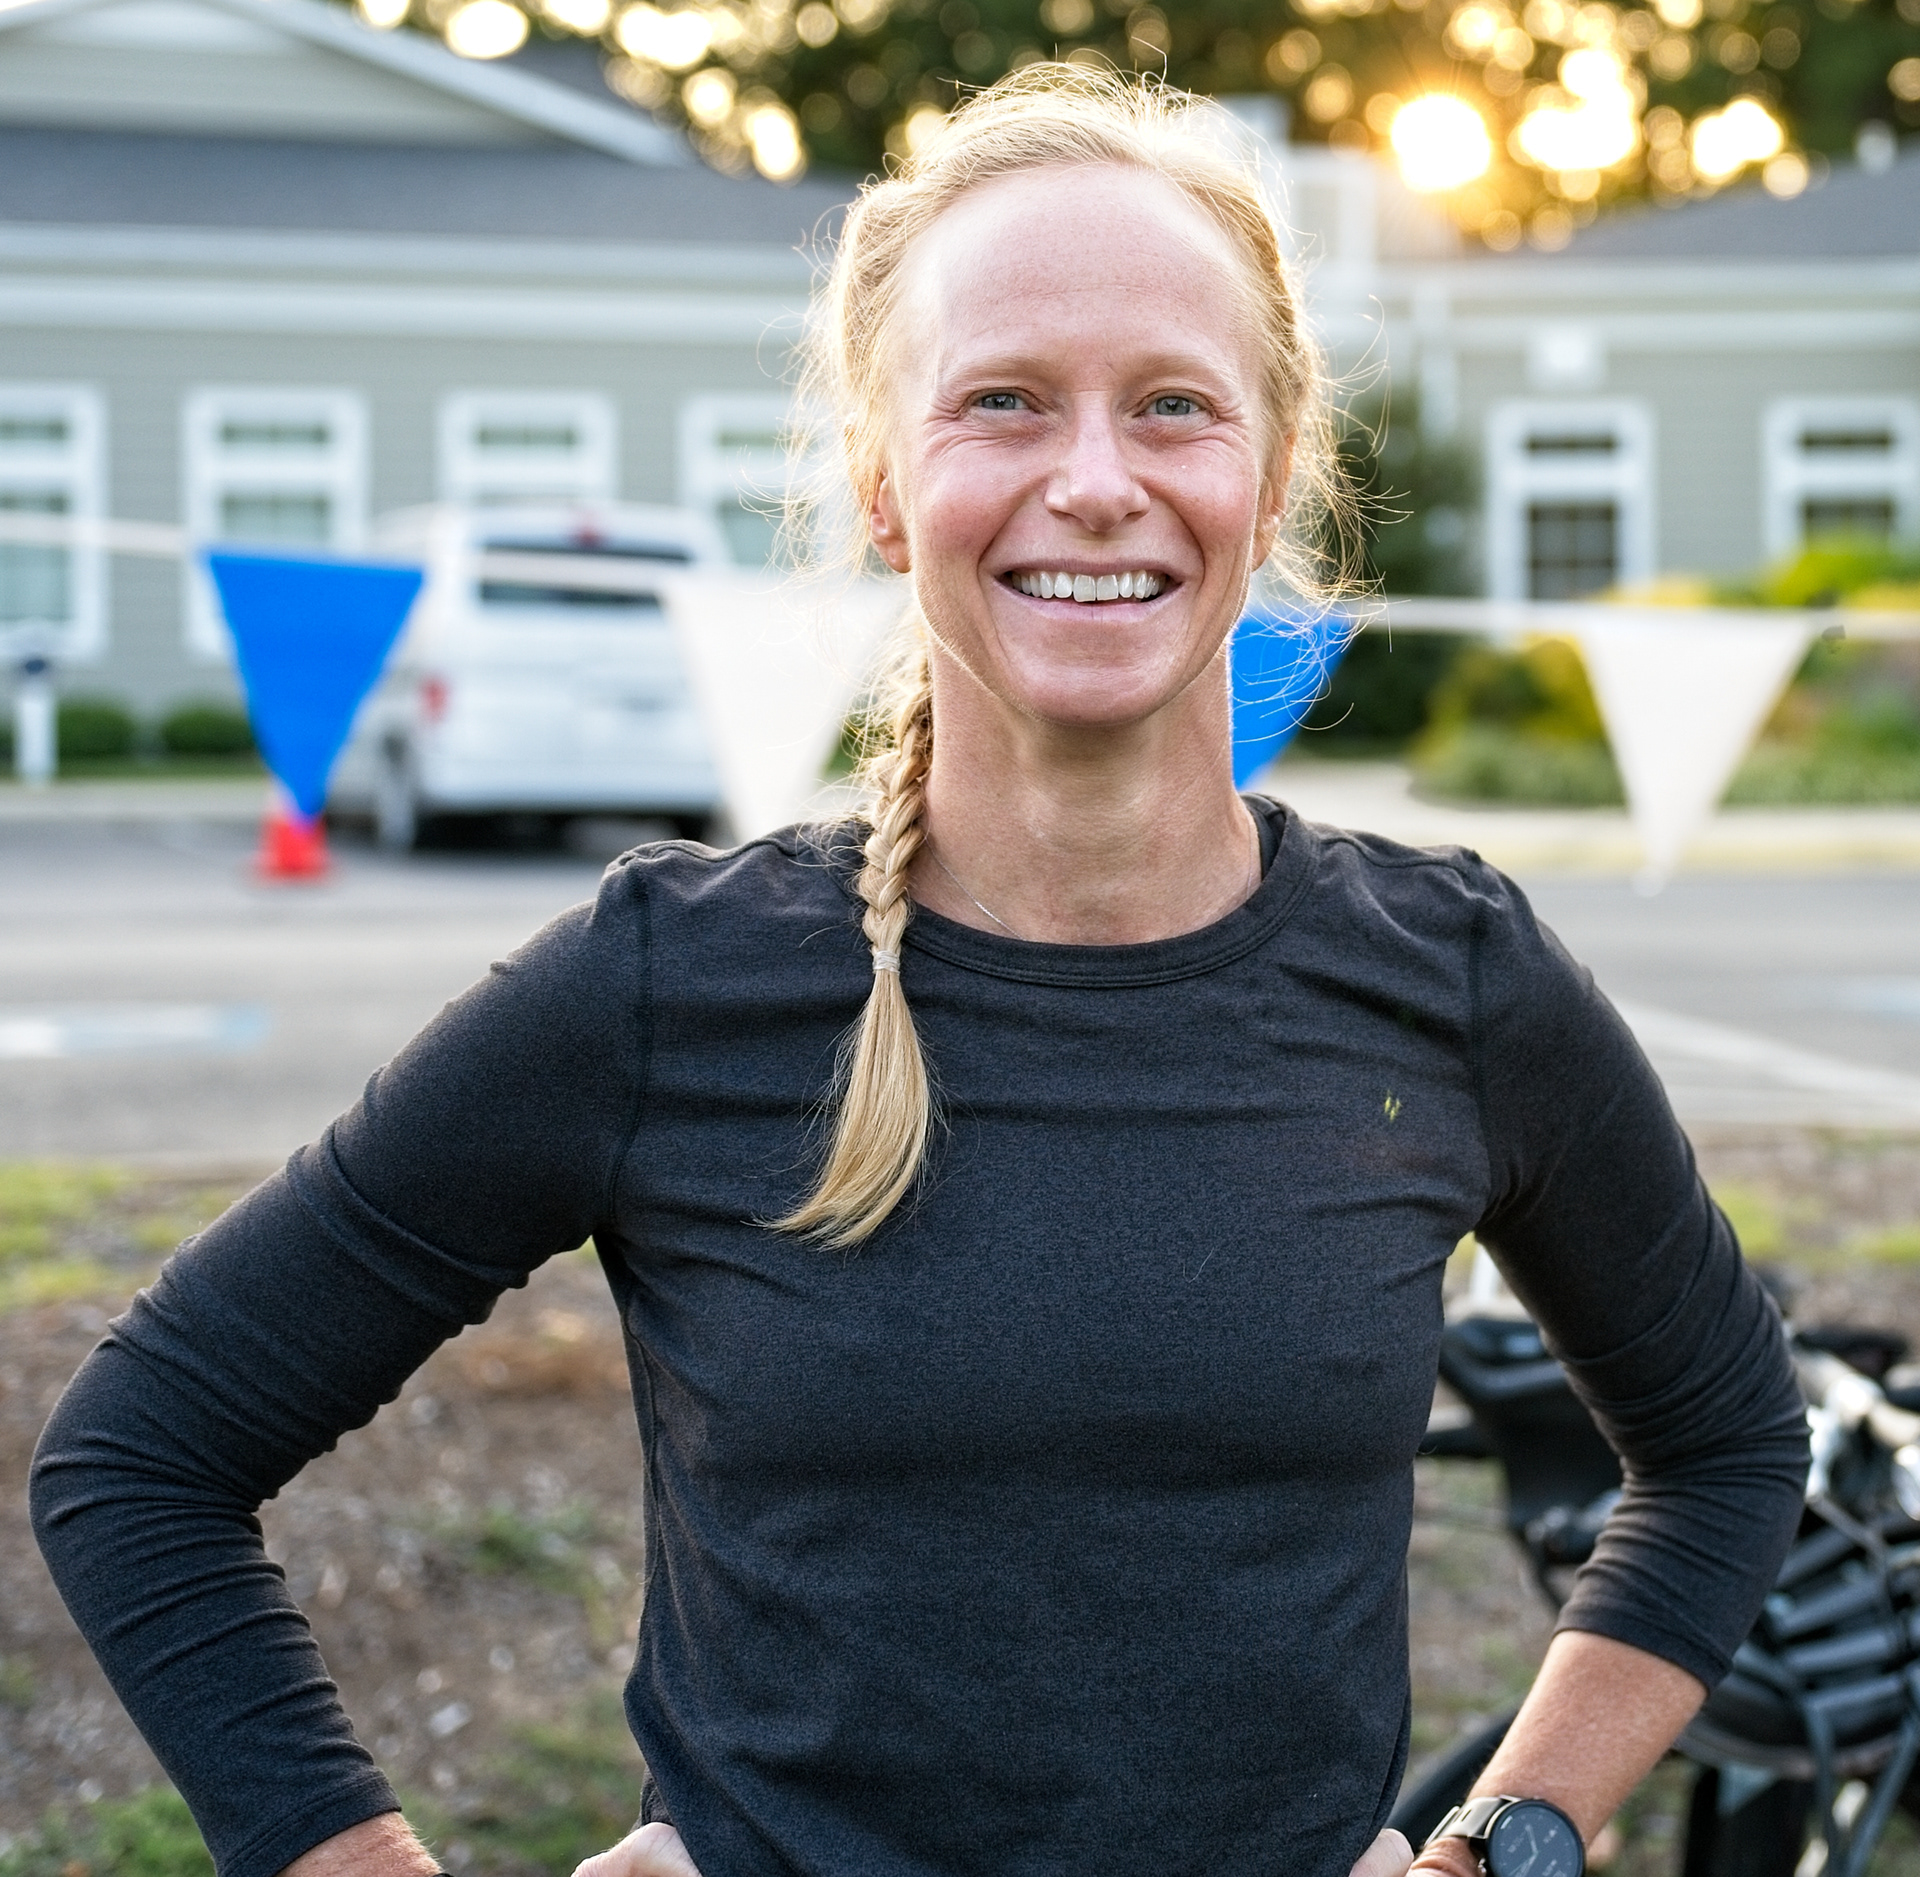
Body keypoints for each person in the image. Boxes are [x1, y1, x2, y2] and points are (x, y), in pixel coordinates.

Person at [32, 66, 1808, 1877]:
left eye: (1173, 405)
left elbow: (1731, 1439)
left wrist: (1510, 1837)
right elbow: (144, 1455)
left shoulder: (1451, 980)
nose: (1095, 482)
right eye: (1003, 401)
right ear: (885, 484)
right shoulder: (668, 988)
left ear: (1272, 475)